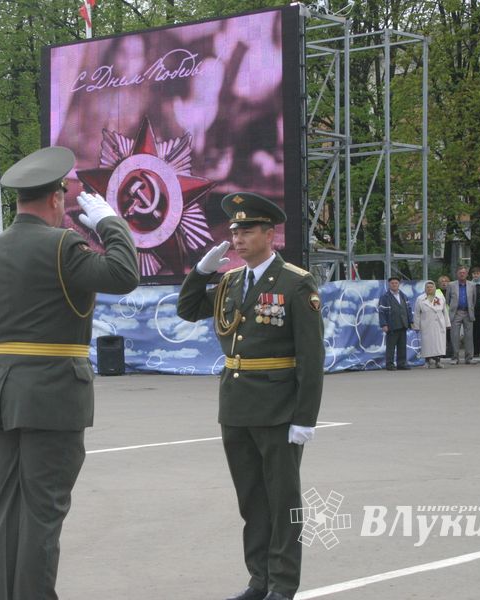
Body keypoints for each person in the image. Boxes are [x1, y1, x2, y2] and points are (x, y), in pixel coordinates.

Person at [0, 146, 138, 600]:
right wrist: (109, 223)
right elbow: (123, 273)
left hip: (3, 398)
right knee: (43, 513)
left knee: (9, 511)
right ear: (57, 199)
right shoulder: (64, 246)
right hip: (55, 397)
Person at [177, 192, 324, 600]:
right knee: (252, 502)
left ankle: (282, 585)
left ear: (269, 234)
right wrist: (201, 270)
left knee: (282, 504)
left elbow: (311, 357)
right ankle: (259, 580)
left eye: (246, 231)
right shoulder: (230, 282)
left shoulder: (296, 282)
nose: (237, 238)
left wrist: (305, 417)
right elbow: (187, 309)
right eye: (234, 231)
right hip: (237, 406)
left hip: (278, 409)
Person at [413, 280, 451, 368]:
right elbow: (417, 313)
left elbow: (445, 311)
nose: (430, 289)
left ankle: (438, 361)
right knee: (427, 344)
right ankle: (427, 361)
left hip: (439, 324)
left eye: (431, 287)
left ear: (434, 288)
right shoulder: (420, 299)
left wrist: (447, 324)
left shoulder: (440, 298)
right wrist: (416, 326)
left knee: (438, 344)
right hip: (426, 324)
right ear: (425, 289)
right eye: (428, 287)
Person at [378, 277, 413, 370]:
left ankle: (401, 364)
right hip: (391, 325)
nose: (394, 284)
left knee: (402, 346)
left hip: (403, 324)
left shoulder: (403, 295)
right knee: (391, 347)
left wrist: (411, 321)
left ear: (399, 284)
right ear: (389, 285)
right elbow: (381, 312)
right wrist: (384, 324)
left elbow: (409, 309)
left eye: (396, 283)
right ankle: (389, 364)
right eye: (392, 283)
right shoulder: (384, 297)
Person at [445, 266, 478, 364]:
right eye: (460, 273)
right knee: (454, 336)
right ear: (457, 274)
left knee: (469, 336)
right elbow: (447, 300)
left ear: (467, 274)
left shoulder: (472, 285)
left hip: (468, 312)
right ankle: (455, 357)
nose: (462, 274)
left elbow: (474, 300)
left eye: (464, 272)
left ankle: (469, 358)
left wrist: (470, 309)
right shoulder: (451, 285)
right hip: (456, 313)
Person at [437, 275, 452, 357]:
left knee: (450, 336)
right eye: (442, 282)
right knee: (441, 336)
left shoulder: (452, 291)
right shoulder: (436, 292)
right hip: (439, 317)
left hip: (450, 315)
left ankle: (450, 352)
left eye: (446, 281)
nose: (444, 283)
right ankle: (441, 352)